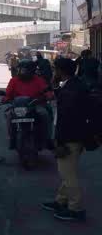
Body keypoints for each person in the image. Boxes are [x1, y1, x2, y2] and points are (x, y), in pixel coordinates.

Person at [41, 57, 94, 222]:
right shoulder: (73, 85)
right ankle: (60, 201)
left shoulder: (71, 90)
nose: (53, 72)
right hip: (76, 135)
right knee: (67, 172)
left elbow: (67, 118)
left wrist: (59, 140)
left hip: (70, 137)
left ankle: (75, 208)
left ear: (61, 71)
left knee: (68, 175)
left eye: (55, 69)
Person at [2, 59, 53, 149]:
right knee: (9, 116)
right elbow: (8, 93)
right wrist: (5, 98)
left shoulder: (38, 80)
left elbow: (46, 91)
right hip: (18, 106)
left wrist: (48, 95)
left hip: (35, 105)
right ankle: (12, 138)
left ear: (32, 71)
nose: (22, 72)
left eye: (24, 70)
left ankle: (48, 138)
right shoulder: (14, 80)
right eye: (21, 70)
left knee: (44, 114)